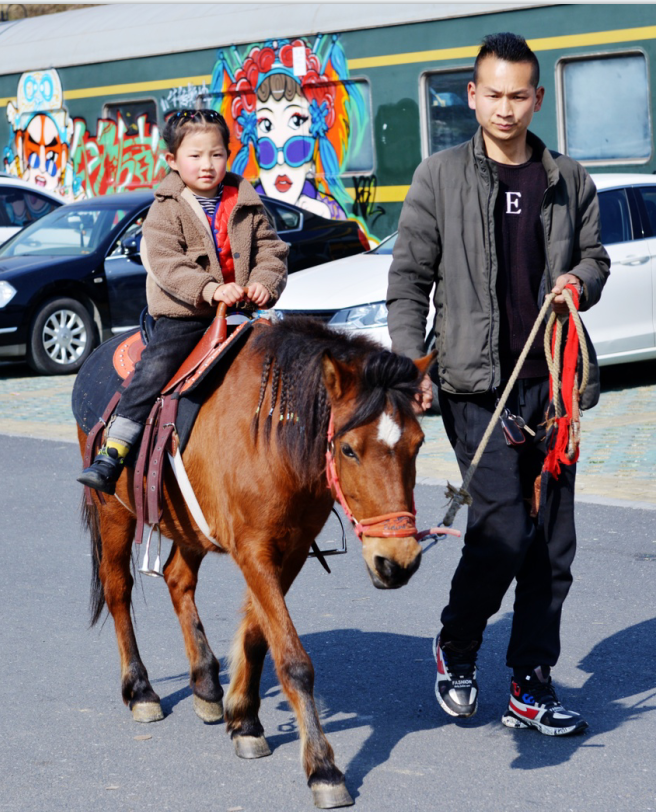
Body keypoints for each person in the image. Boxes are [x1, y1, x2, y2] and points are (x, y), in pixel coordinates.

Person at [387, 33, 609, 736]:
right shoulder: (439, 177)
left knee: (552, 544)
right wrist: (408, 367)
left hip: (555, 390)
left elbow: (597, 257)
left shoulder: (568, 179)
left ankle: (530, 683)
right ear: (472, 96)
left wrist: (582, 279)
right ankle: (457, 646)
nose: (506, 108)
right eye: (494, 94)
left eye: (520, 95)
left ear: (537, 98)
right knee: (504, 530)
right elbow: (408, 281)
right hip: (473, 387)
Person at [78, 109, 288, 494]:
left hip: (243, 311)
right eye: (195, 156)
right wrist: (210, 289)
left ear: (229, 155)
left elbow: (272, 252)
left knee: (289, 363)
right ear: (173, 160)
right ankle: (115, 448)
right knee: (153, 369)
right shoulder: (165, 209)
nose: (207, 165)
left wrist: (263, 283)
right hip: (186, 316)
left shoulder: (247, 202)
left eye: (216, 154)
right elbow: (167, 263)